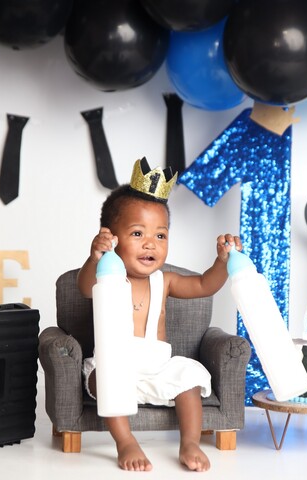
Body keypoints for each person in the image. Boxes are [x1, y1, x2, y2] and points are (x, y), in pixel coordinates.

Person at [77, 157, 242, 472]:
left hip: (157, 367)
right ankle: (126, 442)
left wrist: (221, 262)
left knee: (189, 376)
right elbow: (85, 288)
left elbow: (205, 285)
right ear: (111, 238)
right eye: (138, 234)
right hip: (115, 364)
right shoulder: (106, 277)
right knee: (105, 378)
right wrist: (95, 258)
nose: (150, 244)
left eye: (160, 236)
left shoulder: (165, 281)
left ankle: (190, 442)